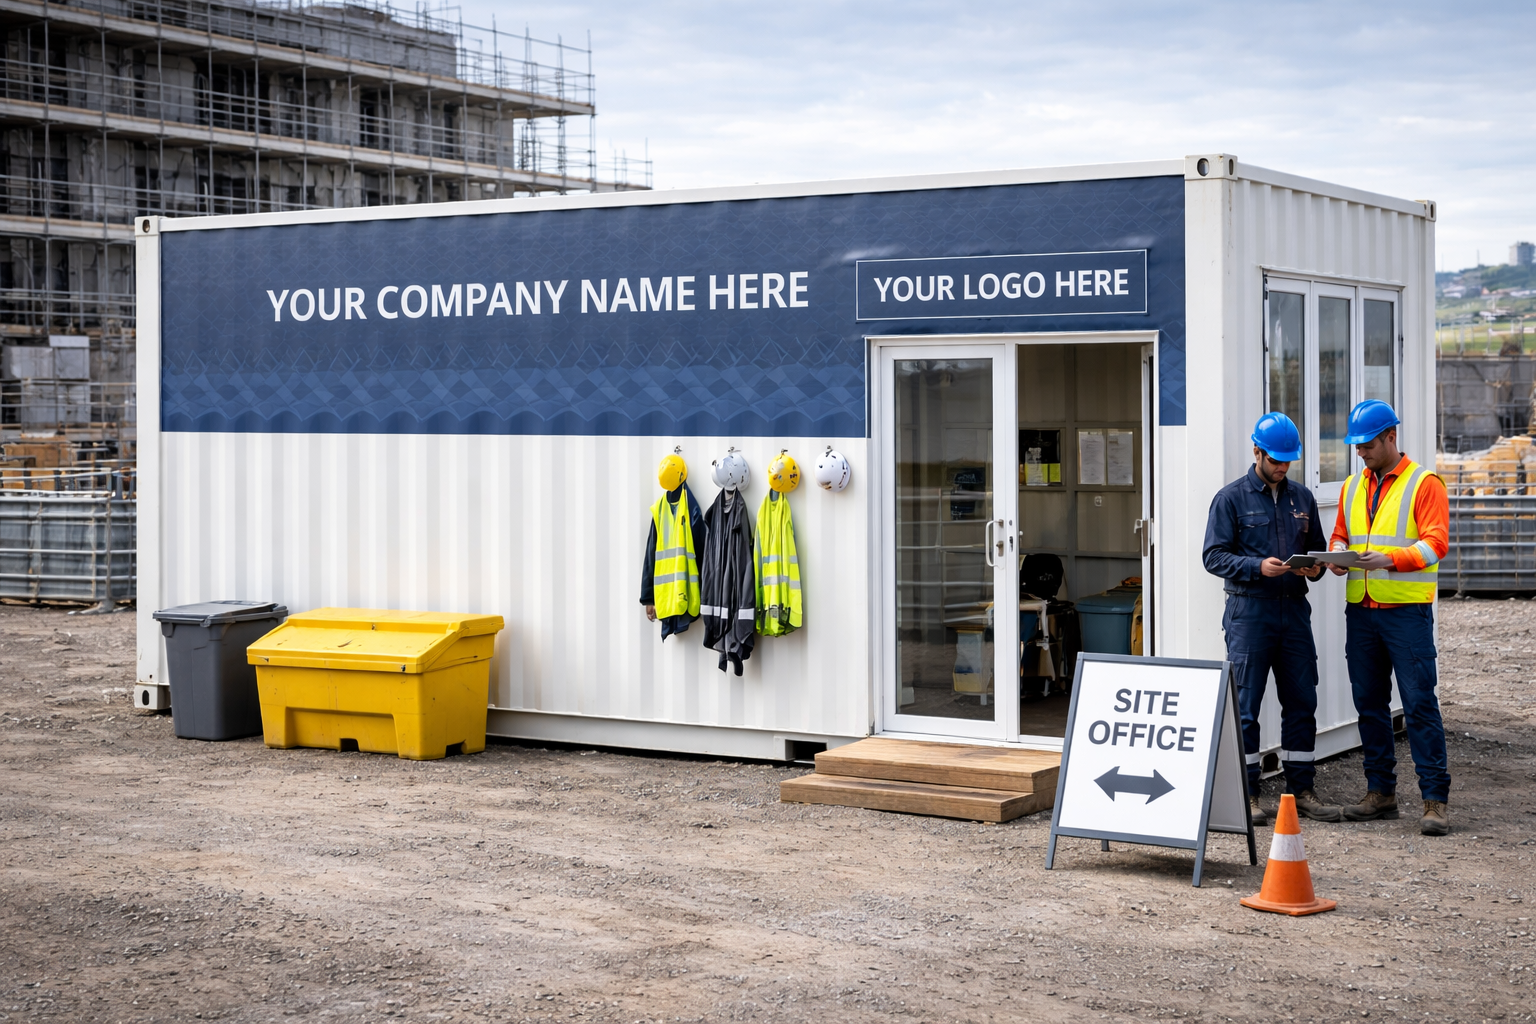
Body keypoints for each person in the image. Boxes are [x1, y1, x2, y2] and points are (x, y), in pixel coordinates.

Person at [1203, 413, 1342, 825]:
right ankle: (1246, 794)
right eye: (1276, 460)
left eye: (1287, 462)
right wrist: (1255, 567)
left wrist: (1313, 568)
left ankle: (1301, 789)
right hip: (1250, 613)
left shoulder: (1302, 498)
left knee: (1302, 700)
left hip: (1294, 611)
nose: (1282, 468)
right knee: (1246, 705)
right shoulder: (1230, 499)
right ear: (1257, 452)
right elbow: (1213, 557)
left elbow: (1316, 549)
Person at [1326, 400, 1452, 836]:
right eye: (1356, 446)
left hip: (1406, 614)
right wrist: (1337, 556)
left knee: (1418, 704)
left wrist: (1389, 560)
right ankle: (1381, 794)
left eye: (1367, 445)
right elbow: (1342, 532)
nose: (1360, 452)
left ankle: (1434, 799)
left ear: (1390, 437)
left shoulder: (1425, 484)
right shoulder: (1351, 486)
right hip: (1361, 611)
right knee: (1370, 705)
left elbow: (1436, 544)